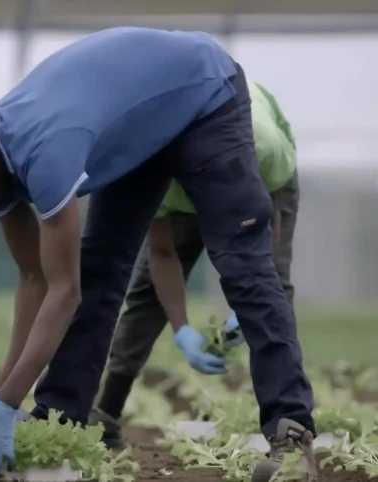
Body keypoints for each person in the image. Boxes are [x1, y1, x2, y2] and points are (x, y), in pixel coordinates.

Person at [0, 27, 316, 482]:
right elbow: (34, 280)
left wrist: (5, 404)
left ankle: (292, 434)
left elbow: (64, 294)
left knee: (243, 265)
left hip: (204, 94)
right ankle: (57, 420)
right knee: (99, 269)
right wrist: (2, 398)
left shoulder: (46, 150)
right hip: (144, 125)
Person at [89, 79, 300, 449]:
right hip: (183, 187)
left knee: (272, 289)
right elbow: (162, 253)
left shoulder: (260, 148)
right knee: (147, 292)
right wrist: (181, 329)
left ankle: (288, 424)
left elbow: (268, 235)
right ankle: (105, 412)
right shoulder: (148, 162)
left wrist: (245, 304)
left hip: (251, 183)